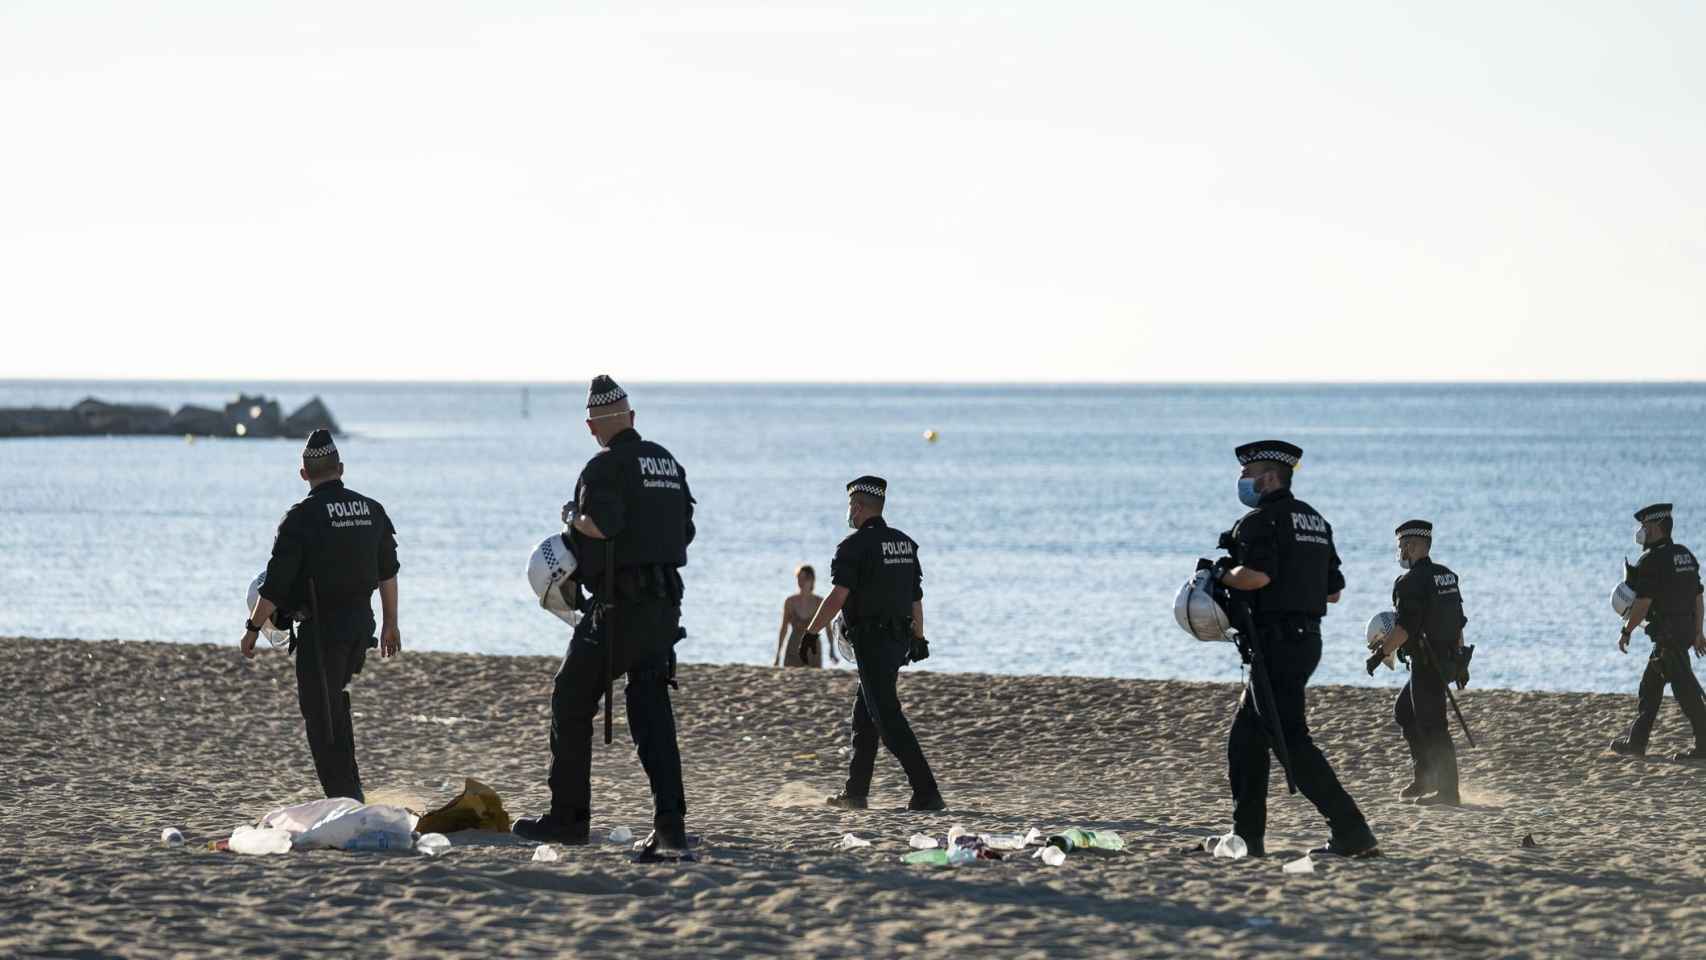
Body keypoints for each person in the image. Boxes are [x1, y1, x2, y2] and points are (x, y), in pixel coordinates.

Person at [513, 375, 695, 860]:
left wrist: (573, 515)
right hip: (664, 606)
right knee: (651, 708)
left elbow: (603, 525)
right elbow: (687, 531)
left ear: (593, 426)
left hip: (618, 606)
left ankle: (569, 820)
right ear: (631, 419)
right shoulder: (668, 464)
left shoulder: (603, 468)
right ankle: (671, 825)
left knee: (570, 699)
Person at [1210, 440, 1378, 858]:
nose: (1243, 482)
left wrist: (1220, 574)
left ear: (1268, 478)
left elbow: (1256, 577)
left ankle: (1352, 832)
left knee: (1291, 742)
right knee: (1246, 739)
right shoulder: (1316, 521)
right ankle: (1246, 838)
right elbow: (1334, 592)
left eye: (1247, 475)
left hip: (1276, 643)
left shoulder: (1260, 521)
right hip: (1306, 641)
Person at [240, 429, 401, 802]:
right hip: (362, 629)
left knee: (321, 718)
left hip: (321, 631)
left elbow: (276, 585)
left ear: (303, 474)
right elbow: (388, 571)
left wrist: (251, 628)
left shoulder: (300, 518)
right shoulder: (371, 509)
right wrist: (392, 624)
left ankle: (345, 799)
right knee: (334, 706)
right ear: (340, 468)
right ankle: (350, 792)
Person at [806, 476, 944, 811]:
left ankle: (926, 792)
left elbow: (838, 597)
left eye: (851, 506)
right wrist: (919, 638)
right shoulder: (904, 544)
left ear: (858, 506)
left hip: (872, 642)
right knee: (864, 715)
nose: (849, 512)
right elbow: (915, 598)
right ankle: (856, 792)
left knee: (887, 718)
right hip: (897, 641)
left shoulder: (853, 547)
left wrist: (810, 632)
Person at [1365, 520, 1467, 805]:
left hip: (1427, 664)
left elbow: (1404, 629)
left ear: (1412, 546)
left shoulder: (1409, 583)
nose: (1400, 552)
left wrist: (1379, 654)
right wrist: (1461, 663)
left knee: (1435, 727)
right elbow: (1458, 623)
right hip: (1445, 661)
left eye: (1401, 547)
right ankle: (1424, 777)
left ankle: (1448, 792)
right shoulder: (1446, 576)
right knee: (1405, 713)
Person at [1611, 503, 1706, 760]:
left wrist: (1626, 630)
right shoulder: (1684, 555)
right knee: (1650, 687)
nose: (1641, 530)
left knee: (1687, 693)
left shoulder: (1652, 561)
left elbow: (1643, 603)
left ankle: (1703, 747)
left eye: (1644, 526)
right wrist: (1698, 632)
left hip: (1668, 637)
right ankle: (1636, 743)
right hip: (1682, 633)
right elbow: (1698, 596)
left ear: (1654, 527)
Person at [775, 565, 836, 668]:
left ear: (812, 580)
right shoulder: (790, 602)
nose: (801, 582)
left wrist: (831, 649)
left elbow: (828, 629)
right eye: (799, 578)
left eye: (804, 578)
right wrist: (778, 654)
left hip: (813, 650)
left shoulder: (819, 602)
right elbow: (784, 628)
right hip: (793, 649)